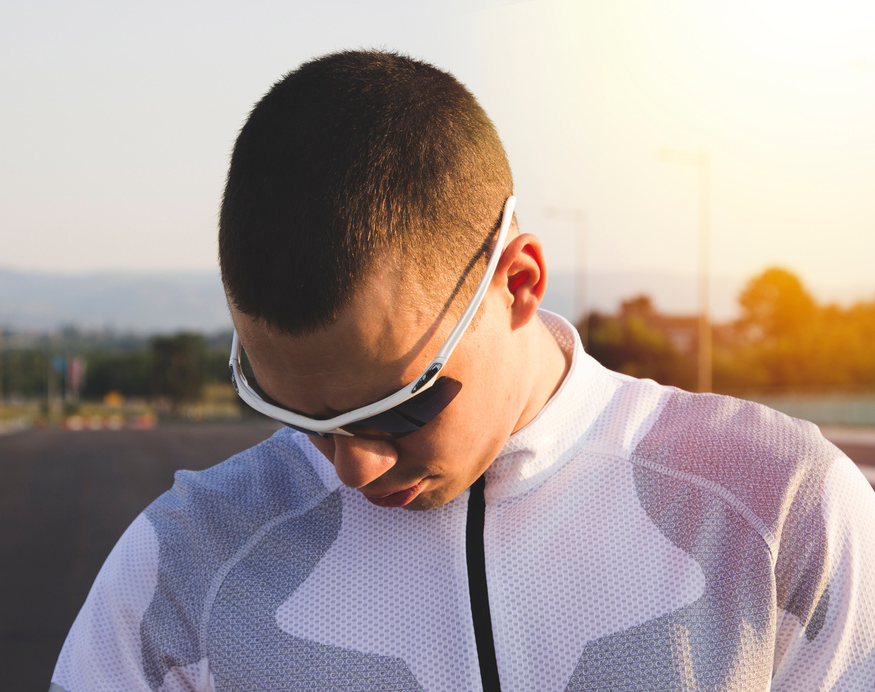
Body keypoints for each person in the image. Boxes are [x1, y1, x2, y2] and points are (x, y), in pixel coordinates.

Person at [51, 50, 875, 691]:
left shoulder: (779, 508)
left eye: (399, 407)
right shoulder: (185, 562)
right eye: (300, 416)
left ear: (518, 282)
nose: (354, 468)